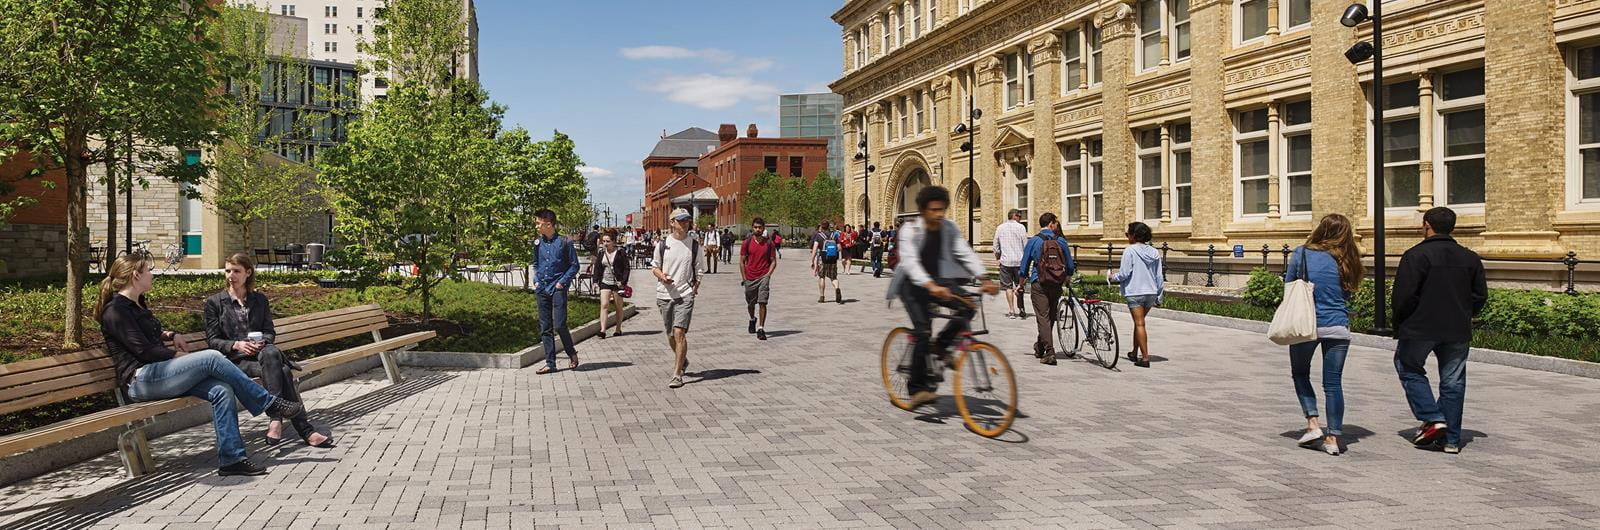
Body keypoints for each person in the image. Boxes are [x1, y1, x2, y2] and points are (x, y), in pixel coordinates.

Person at [98, 254, 304, 476]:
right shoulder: (116, 310)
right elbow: (144, 351)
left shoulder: (137, 304)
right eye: (148, 270)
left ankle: (232, 459)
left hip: (160, 375)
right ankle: (269, 404)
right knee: (211, 357)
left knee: (221, 390)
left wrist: (171, 334)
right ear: (136, 275)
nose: (152, 274)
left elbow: (146, 334)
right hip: (141, 380)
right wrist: (179, 356)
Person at [204, 253, 332, 448]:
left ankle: (275, 420)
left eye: (236, 271)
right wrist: (236, 345)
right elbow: (213, 341)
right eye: (228, 270)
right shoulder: (215, 303)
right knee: (283, 371)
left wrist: (262, 342)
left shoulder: (259, 300)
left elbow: (269, 332)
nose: (231, 275)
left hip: (262, 356)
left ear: (248, 272)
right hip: (235, 362)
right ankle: (306, 431)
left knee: (271, 353)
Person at [889, 186, 999, 409]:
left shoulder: (948, 228)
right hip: (911, 284)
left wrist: (984, 277)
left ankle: (941, 346)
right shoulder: (910, 230)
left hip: (938, 280)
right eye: (934, 210)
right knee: (922, 330)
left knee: (968, 307)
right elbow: (910, 262)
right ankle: (917, 388)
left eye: (942, 209)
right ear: (923, 210)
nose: (939, 214)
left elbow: (964, 252)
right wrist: (929, 285)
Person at [1392, 206, 1487, 455]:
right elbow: (1480, 296)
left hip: (1420, 326)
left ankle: (1433, 418)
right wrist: (1466, 314)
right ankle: (1452, 440)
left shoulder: (1415, 256)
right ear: (1452, 227)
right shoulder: (1470, 258)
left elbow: (1404, 296)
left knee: (1408, 367)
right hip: (1457, 328)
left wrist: (1400, 322)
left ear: (1426, 225)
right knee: (1453, 382)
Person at [1280, 213, 1362, 456]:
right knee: (1333, 383)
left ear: (1321, 230)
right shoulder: (1349, 259)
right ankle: (1334, 438)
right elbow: (1346, 294)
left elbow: (1290, 285)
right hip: (1338, 326)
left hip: (1307, 325)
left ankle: (1313, 423)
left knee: (1300, 373)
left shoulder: (1303, 253)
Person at [654, 208, 703, 388]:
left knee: (679, 332)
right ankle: (683, 361)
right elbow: (654, 267)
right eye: (680, 220)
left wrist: (694, 288)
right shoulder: (662, 244)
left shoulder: (695, 245)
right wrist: (662, 276)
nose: (684, 224)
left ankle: (676, 374)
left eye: (687, 221)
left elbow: (699, 269)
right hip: (664, 294)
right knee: (670, 336)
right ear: (672, 222)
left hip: (685, 294)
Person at [1018, 213, 1074, 365]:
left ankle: (1049, 352)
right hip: (1056, 282)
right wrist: (1067, 277)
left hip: (1039, 282)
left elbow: (1024, 265)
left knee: (1043, 317)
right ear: (1051, 224)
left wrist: (1021, 283)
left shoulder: (1034, 240)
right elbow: (1069, 264)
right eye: (1055, 223)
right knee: (1050, 316)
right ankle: (1040, 347)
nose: (1056, 226)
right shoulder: (1061, 241)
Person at [533, 209, 580, 374]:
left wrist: (562, 283)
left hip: (558, 288)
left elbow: (575, 265)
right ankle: (550, 363)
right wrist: (536, 281)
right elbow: (536, 264)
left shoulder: (565, 243)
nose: (536, 225)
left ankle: (571, 353)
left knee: (560, 325)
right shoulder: (538, 244)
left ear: (548, 223)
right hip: (542, 289)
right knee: (545, 327)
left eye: (538, 223)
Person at [1110, 222, 1164, 368]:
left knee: (1140, 323)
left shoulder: (1130, 251)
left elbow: (1125, 274)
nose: (1127, 236)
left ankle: (1145, 358)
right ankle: (1134, 352)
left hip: (1135, 291)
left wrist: (1111, 277)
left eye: (1128, 233)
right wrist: (1159, 294)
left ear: (1134, 235)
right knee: (1139, 322)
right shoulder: (1154, 252)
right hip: (1151, 292)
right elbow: (1159, 276)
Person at [740, 218, 780, 341]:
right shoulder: (746, 243)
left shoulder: (769, 244)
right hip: (750, 277)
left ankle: (761, 328)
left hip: (763, 276)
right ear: (752, 228)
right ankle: (752, 319)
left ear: (763, 229)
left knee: (763, 302)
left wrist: (768, 275)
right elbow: (742, 262)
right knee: (750, 303)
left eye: (760, 227)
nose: (757, 229)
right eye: (755, 227)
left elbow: (773, 261)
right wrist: (744, 278)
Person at [589, 230, 630, 339]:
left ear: (614, 242)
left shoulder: (621, 252)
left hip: (618, 283)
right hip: (605, 282)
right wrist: (595, 281)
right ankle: (603, 330)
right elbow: (597, 268)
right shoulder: (602, 253)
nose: (605, 244)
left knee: (618, 307)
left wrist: (623, 281)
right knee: (604, 305)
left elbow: (626, 268)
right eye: (604, 241)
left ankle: (618, 329)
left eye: (608, 241)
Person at [994, 209, 1030, 319]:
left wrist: (998, 256)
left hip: (1006, 261)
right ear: (1015, 216)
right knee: (1020, 285)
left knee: (1008, 287)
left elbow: (995, 245)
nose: (1020, 219)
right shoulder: (1021, 228)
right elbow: (1025, 245)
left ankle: (1011, 310)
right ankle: (1021, 308)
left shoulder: (1000, 228)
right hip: (1019, 261)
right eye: (1019, 216)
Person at [812, 222, 843, 303]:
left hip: (823, 258)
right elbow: (839, 248)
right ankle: (837, 288)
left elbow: (815, 249)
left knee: (822, 277)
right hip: (833, 259)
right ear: (829, 226)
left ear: (822, 227)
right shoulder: (834, 235)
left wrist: (812, 260)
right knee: (833, 277)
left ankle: (822, 297)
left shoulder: (819, 236)